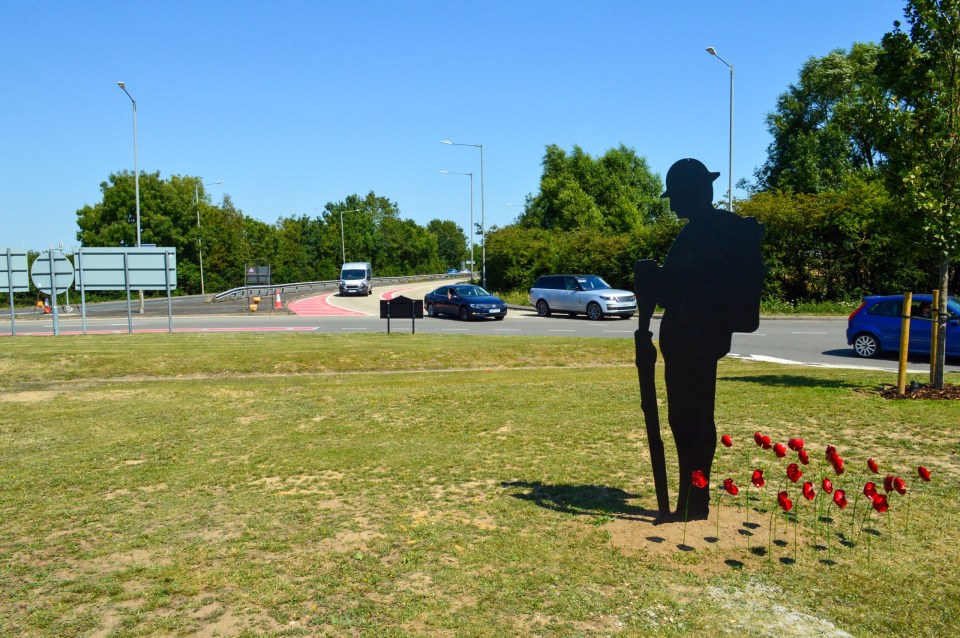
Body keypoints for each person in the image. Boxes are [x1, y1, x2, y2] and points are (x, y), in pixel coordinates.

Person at [635, 159, 765, 520]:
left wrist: (650, 277)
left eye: (675, 196)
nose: (672, 204)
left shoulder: (701, 234)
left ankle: (693, 501)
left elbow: (679, 290)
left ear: (692, 193)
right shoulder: (713, 229)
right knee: (693, 419)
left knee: (689, 419)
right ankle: (693, 499)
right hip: (699, 337)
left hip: (691, 337)